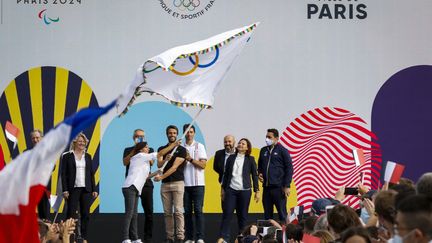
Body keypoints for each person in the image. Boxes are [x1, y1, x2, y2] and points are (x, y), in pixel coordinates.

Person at [122, 141, 178, 243]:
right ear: (141, 149)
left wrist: (157, 172)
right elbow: (160, 153)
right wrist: (173, 145)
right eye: (146, 147)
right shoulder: (140, 156)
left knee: (134, 214)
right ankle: (125, 238)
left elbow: (146, 177)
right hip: (130, 187)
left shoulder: (144, 161)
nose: (148, 149)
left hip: (135, 188)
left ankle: (134, 238)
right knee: (129, 213)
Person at [219, 138, 260, 242]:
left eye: (243, 144)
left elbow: (255, 176)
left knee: (242, 216)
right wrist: (223, 189)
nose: (240, 145)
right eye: (240, 143)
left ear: (247, 148)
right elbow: (226, 174)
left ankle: (242, 238)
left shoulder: (250, 159)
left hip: (245, 191)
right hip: (231, 190)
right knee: (227, 214)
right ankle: (224, 239)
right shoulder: (231, 158)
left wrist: (257, 191)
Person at [61, 133, 97, 243]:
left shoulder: (88, 156)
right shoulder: (67, 155)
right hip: (73, 189)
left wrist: (94, 189)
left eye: (83, 141)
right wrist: (65, 189)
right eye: (80, 141)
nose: (82, 143)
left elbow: (91, 173)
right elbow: (64, 174)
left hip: (86, 189)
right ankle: (70, 237)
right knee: (71, 213)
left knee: (85, 214)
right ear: (75, 142)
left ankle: (83, 237)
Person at [154, 125, 187, 243]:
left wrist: (161, 176)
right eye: (170, 133)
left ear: (177, 134)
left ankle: (180, 237)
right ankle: (170, 237)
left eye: (174, 133)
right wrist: (165, 160)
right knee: (167, 213)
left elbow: (174, 167)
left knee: (178, 211)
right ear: (166, 134)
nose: (172, 135)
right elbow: (159, 164)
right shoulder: (162, 148)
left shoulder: (182, 150)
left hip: (178, 183)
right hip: (165, 185)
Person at [123, 129, 154, 242]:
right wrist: (135, 150)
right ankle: (129, 237)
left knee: (148, 212)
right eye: (137, 136)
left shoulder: (149, 149)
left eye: (142, 136)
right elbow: (125, 162)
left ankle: (147, 238)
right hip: (132, 183)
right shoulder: (128, 150)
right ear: (133, 137)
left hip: (146, 184)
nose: (140, 138)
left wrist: (144, 150)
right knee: (131, 212)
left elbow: (151, 162)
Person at [258, 128, 293, 221]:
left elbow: (289, 168)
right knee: (267, 216)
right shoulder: (263, 151)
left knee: (282, 214)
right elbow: (260, 166)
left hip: (279, 189)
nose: (267, 139)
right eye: (266, 137)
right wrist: (260, 174)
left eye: (269, 137)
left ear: (276, 138)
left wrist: (286, 185)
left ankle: (285, 234)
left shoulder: (283, 150)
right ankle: (268, 235)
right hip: (266, 189)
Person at [181, 124, 207, 243]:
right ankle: (190, 238)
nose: (189, 134)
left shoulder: (199, 146)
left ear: (194, 133)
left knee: (198, 210)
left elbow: (203, 165)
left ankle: (200, 237)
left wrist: (190, 159)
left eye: (191, 132)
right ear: (184, 133)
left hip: (198, 185)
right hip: (184, 185)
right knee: (187, 212)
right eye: (187, 132)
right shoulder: (180, 147)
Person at [29, 129, 50, 220]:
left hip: (42, 186)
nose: (35, 140)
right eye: (33, 138)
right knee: (29, 212)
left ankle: (45, 233)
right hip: (30, 186)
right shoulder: (27, 152)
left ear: (42, 138)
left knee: (43, 212)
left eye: (37, 137)